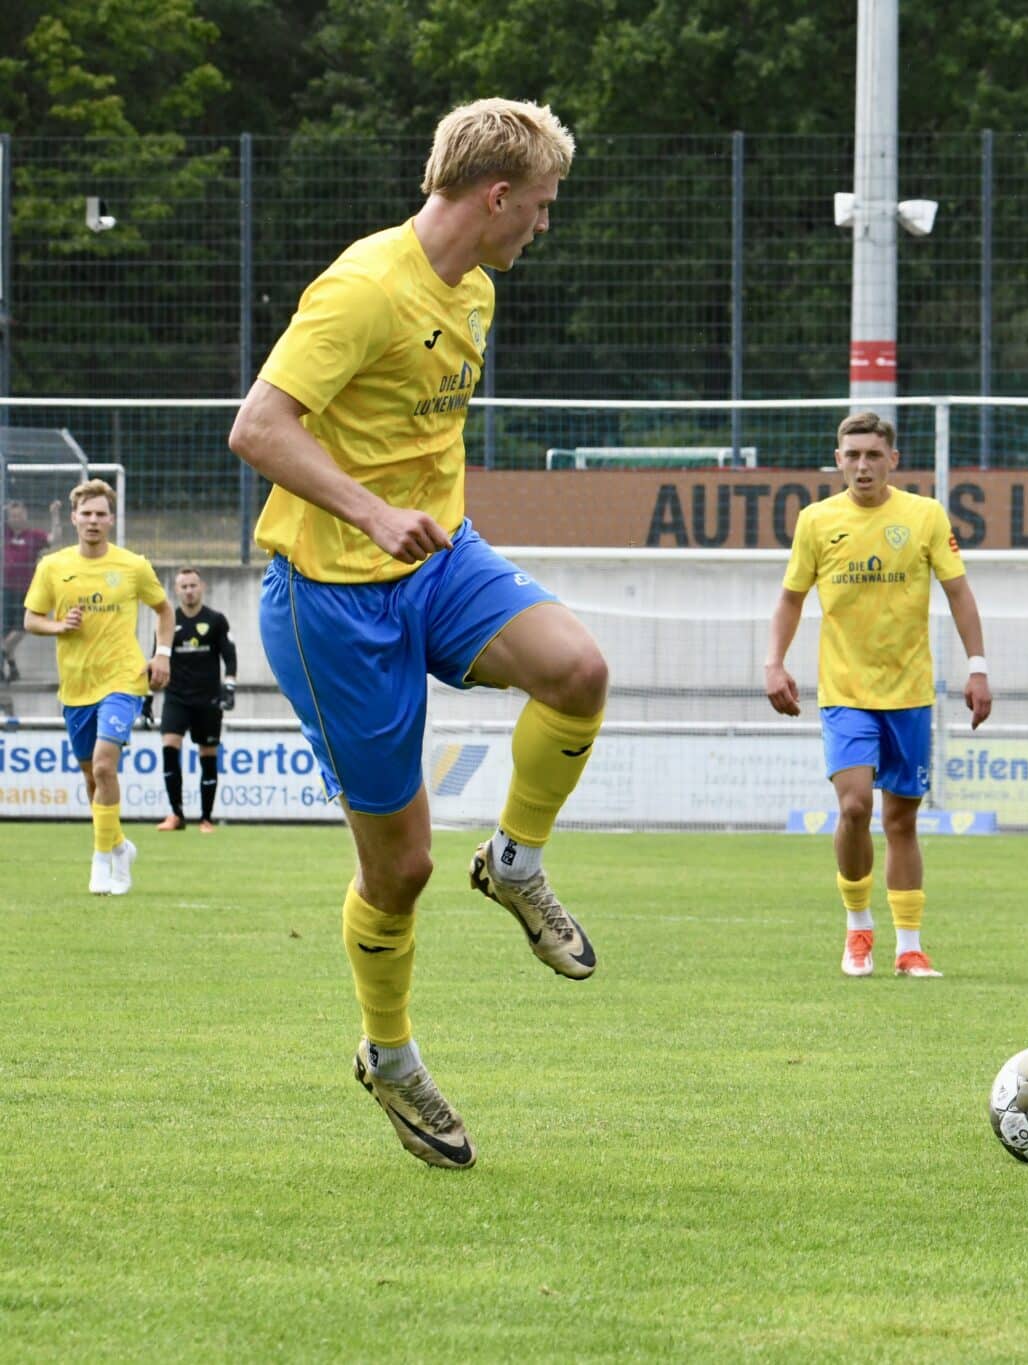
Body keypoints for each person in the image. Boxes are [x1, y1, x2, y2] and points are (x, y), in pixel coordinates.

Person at [227, 98, 608, 1171]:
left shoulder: (474, 286)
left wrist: (416, 522)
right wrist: (370, 512)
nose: (542, 223)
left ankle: (519, 862)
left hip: (436, 563)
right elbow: (257, 426)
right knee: (399, 872)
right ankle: (389, 1058)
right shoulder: (360, 289)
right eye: (538, 205)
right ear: (494, 198)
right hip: (331, 598)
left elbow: (414, 435)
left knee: (577, 670)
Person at [764, 410, 992, 979]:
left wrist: (978, 667)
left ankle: (910, 947)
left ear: (893, 459)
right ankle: (858, 930)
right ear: (837, 460)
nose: (862, 465)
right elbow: (791, 599)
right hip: (845, 692)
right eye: (852, 455)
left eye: (873, 454)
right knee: (854, 806)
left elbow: (959, 593)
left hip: (910, 693)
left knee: (901, 823)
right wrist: (774, 662)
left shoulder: (924, 516)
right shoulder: (817, 522)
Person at [20, 479, 172, 894]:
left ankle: (102, 862)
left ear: (111, 519)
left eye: (101, 514)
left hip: (123, 679)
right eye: (86, 513)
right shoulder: (52, 566)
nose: (93, 520)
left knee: (105, 765)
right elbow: (31, 619)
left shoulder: (132, 565)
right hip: (76, 685)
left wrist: (162, 655)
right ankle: (119, 845)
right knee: (92, 779)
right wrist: (58, 625)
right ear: (74, 518)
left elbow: (164, 609)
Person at [155, 567, 239, 833]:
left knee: (207, 753)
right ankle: (176, 814)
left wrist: (230, 687)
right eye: (184, 587)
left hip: (207, 699)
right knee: (169, 746)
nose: (189, 591)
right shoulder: (168, 622)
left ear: (201, 587)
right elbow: (156, 658)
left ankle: (206, 818)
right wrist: (146, 696)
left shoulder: (215, 620)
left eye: (193, 585)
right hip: (176, 697)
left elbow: (229, 655)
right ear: (176, 590)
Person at [4, 498, 65, 684]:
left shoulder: (33, 536)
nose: (16, 518)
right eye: (12, 515)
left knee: (22, 627)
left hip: (25, 590)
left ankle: (4, 654)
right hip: (4, 590)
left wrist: (55, 514)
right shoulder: (3, 534)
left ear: (25, 516)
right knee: (3, 633)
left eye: (19, 515)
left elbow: (55, 539)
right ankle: (12, 669)